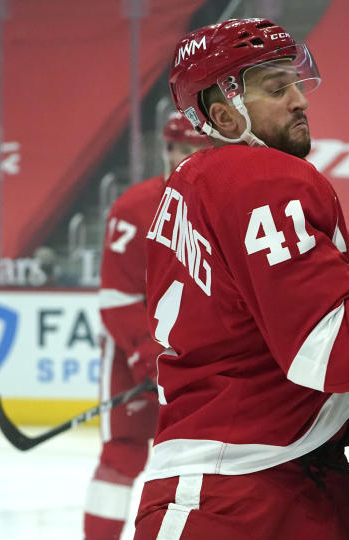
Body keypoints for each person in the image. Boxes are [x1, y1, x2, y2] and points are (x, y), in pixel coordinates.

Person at [132, 18, 349, 540]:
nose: (300, 100)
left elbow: (283, 305)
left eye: (295, 82)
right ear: (223, 115)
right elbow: (335, 358)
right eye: (276, 88)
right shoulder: (262, 176)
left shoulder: (199, 184)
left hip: (280, 476)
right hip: (238, 496)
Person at [84, 111, 210, 540]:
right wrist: (148, 355)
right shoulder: (133, 207)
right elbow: (116, 299)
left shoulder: (226, 206)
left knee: (201, 462)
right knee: (121, 455)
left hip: (200, 359)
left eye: (194, 148)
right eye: (176, 147)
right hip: (134, 355)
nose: (182, 157)